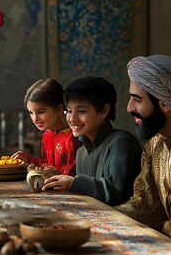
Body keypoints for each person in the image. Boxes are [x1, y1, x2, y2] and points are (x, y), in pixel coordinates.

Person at [43, 77, 142, 206]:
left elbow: (114, 193)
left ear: (104, 110)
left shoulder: (121, 141)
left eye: (82, 111)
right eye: (69, 111)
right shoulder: (81, 152)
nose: (72, 119)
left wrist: (73, 183)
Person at [115, 55, 171, 239]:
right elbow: (145, 206)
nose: (129, 107)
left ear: (164, 102)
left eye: (137, 99)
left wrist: (149, 235)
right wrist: (105, 217)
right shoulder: (154, 145)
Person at [12, 79, 82, 175]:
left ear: (59, 109)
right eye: (31, 113)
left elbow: (74, 174)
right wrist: (28, 159)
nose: (35, 119)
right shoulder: (47, 134)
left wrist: (55, 174)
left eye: (40, 112)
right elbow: (45, 164)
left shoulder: (73, 138)